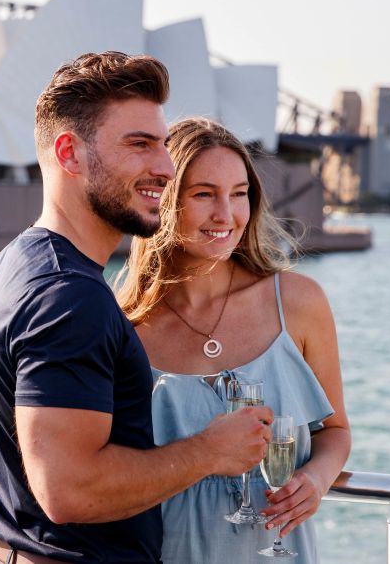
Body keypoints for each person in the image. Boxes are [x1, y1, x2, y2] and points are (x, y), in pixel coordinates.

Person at [0, 53, 274, 564]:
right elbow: (70, 490)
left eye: (162, 144)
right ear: (70, 154)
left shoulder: (17, 265)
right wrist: (209, 452)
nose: (165, 166)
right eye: (140, 144)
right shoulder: (69, 297)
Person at [115, 117, 352, 563]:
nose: (227, 215)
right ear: (165, 200)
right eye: (204, 194)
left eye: (239, 194)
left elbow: (335, 431)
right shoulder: (126, 327)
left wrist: (316, 480)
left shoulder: (299, 303)